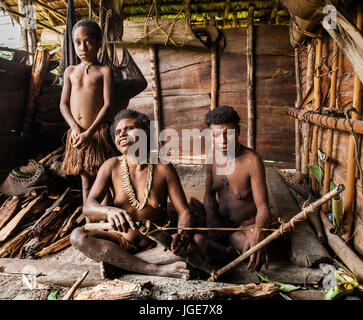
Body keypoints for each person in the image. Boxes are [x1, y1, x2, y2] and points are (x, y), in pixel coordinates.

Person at [70, 109, 204, 279]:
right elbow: (88, 206)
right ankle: (155, 269)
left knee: (198, 242)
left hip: (156, 244)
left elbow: (184, 211)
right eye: (118, 132)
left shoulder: (163, 168)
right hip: (119, 243)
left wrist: (182, 234)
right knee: (78, 236)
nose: (122, 134)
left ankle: (122, 264)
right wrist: (109, 211)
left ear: (145, 133)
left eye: (128, 129)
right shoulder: (111, 166)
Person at [203, 105, 272, 272]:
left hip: (246, 227)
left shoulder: (251, 161)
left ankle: (230, 249)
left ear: (238, 131)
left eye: (228, 134)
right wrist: (212, 219)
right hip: (222, 225)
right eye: (216, 135)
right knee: (194, 237)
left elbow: (263, 207)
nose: (222, 141)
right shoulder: (212, 158)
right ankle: (224, 249)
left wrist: (258, 233)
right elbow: (209, 195)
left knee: (250, 247)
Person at [60, 19, 115, 204]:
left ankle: (106, 219)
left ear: (99, 43)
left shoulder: (105, 71)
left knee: (102, 177)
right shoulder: (70, 71)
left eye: (88, 41)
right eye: (77, 42)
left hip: (97, 133)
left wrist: (90, 132)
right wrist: (75, 129)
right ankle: (89, 219)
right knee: (84, 178)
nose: (82, 47)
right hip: (76, 135)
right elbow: (63, 104)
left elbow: (108, 105)